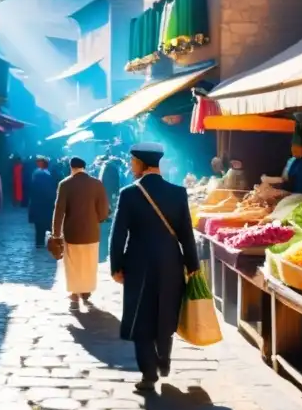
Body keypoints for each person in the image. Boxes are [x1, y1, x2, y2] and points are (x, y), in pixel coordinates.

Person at [109, 142, 199, 393]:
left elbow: (118, 235)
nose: (130, 166)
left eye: (132, 161)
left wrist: (116, 265)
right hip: (171, 261)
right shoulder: (178, 193)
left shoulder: (129, 193)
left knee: (142, 316)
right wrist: (192, 265)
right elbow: (186, 234)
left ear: (140, 163)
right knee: (167, 310)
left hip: (139, 264)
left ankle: (149, 375)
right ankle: (165, 359)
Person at [51, 156, 109, 308]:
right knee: (89, 263)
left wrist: (55, 233)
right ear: (85, 167)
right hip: (91, 232)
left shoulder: (65, 184)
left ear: (71, 167)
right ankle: (86, 290)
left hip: (72, 231)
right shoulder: (97, 184)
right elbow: (104, 212)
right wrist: (97, 220)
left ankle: (75, 292)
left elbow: (59, 211)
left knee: (73, 263)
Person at [28, 156, 58, 249]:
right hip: (45, 204)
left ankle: (40, 242)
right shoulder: (45, 175)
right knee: (47, 224)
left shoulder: (36, 174)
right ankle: (47, 242)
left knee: (39, 226)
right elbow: (50, 191)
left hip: (37, 204)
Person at [99, 154, 123, 218]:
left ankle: (105, 214)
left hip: (104, 187)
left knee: (106, 201)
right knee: (111, 202)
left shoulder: (106, 166)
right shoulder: (113, 168)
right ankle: (109, 215)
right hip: (110, 189)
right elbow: (115, 181)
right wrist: (116, 191)